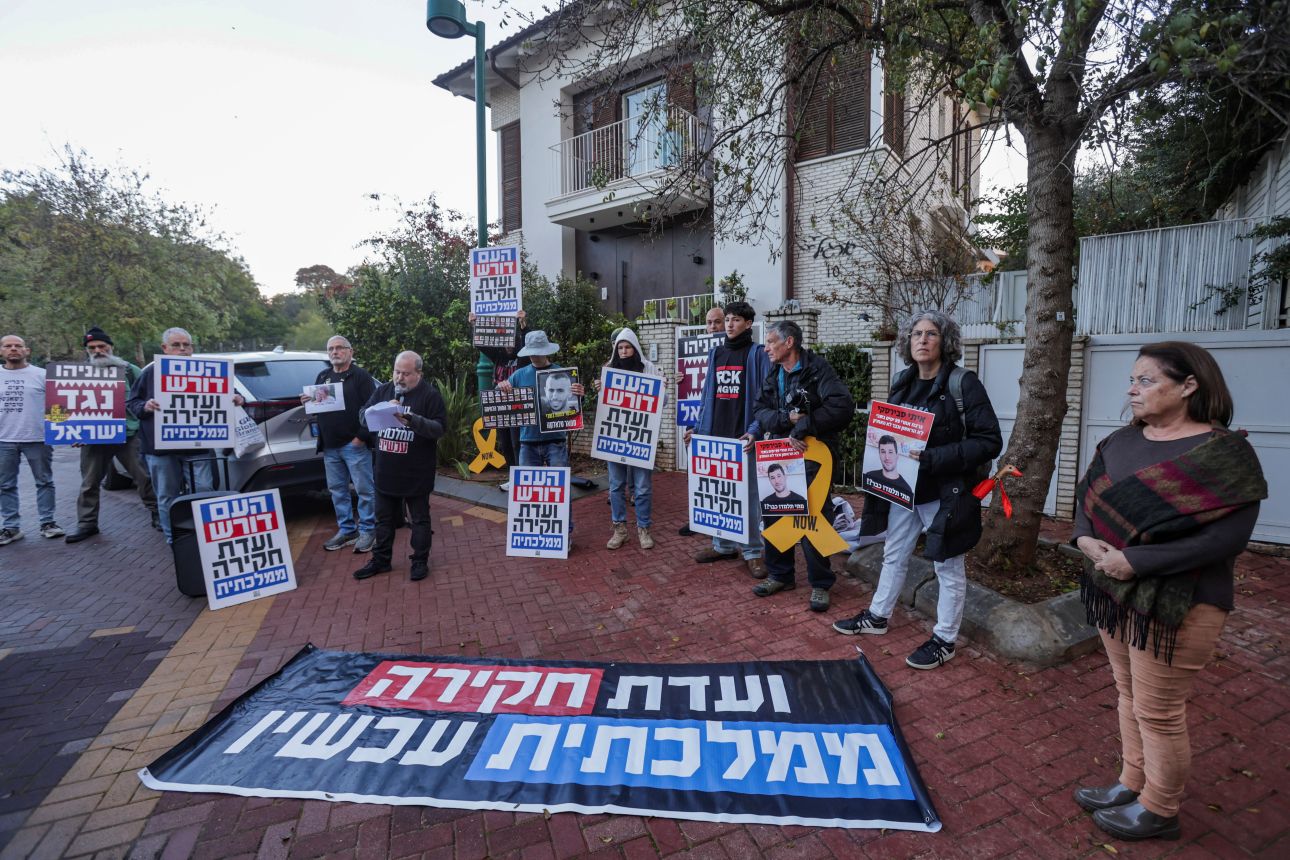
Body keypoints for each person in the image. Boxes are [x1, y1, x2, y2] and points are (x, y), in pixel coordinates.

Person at [1071, 342, 1264, 842]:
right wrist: (1084, 539)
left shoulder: (1224, 454)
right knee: (1128, 694)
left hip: (1181, 602)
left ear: (1188, 386)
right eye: (1131, 380)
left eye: (1146, 380)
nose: (1132, 390)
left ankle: (1160, 808)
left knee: (1158, 712)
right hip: (1115, 592)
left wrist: (1136, 561)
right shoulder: (1120, 440)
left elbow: (1225, 539)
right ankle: (1131, 783)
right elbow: (1087, 497)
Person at [832, 310, 1001, 670]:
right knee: (893, 554)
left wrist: (934, 457)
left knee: (947, 566)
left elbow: (989, 441)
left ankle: (944, 640)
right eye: (916, 334)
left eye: (931, 334)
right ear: (907, 342)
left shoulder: (962, 383)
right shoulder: (902, 382)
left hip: (944, 492)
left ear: (945, 342)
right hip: (904, 490)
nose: (922, 340)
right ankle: (878, 616)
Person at [750, 320, 854, 612]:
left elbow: (842, 407)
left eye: (771, 342)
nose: (766, 348)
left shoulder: (818, 369)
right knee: (775, 513)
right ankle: (780, 576)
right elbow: (759, 409)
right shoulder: (774, 373)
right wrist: (786, 420)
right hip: (778, 455)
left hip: (813, 456)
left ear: (789, 342)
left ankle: (820, 583)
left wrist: (806, 425)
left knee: (813, 515)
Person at [128, 327, 242, 544]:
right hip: (161, 450)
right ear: (165, 348)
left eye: (186, 345)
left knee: (205, 491)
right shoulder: (151, 372)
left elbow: (230, 396)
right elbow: (132, 403)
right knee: (167, 497)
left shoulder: (207, 372)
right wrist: (145, 406)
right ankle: (175, 542)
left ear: (192, 348)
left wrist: (237, 399)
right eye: (176, 345)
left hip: (198, 446)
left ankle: (205, 539)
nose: (182, 349)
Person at [689, 301, 771, 576]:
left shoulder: (757, 354)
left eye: (736, 320)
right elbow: (706, 395)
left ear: (748, 324)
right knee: (719, 493)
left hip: (743, 436)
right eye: (728, 320)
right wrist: (698, 429)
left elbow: (766, 397)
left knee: (748, 497)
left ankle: (753, 551)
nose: (729, 324)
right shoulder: (716, 353)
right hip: (716, 436)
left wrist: (755, 429)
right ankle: (723, 545)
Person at [353, 351, 447, 582]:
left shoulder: (430, 395)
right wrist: (380, 409)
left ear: (418, 373)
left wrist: (412, 419)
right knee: (383, 520)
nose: (399, 378)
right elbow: (363, 415)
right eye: (397, 372)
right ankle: (381, 560)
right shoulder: (384, 391)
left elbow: (439, 429)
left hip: (416, 473)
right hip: (385, 471)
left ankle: (419, 561)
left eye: (406, 373)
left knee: (420, 520)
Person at [65, 327, 159, 543]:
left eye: (102, 346)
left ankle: (157, 515)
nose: (98, 351)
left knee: (144, 477)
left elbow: (145, 398)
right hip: (92, 437)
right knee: (89, 482)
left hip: (129, 434)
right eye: (92, 348)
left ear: (111, 347)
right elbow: (68, 405)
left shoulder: (130, 371)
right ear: (87, 350)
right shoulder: (76, 373)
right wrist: (72, 432)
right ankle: (87, 524)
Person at [306, 335, 377, 553]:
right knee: (337, 491)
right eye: (330, 349)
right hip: (330, 446)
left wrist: (361, 437)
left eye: (339, 348)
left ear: (350, 352)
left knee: (364, 490)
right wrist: (308, 401)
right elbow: (320, 407)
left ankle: (369, 530)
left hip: (354, 445)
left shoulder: (360, 376)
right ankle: (347, 530)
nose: (334, 352)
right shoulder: (323, 376)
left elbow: (372, 409)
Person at [1, 334, 64, 545]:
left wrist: (67, 431)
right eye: (8, 346)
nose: (13, 349)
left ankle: (48, 523)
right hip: (3, 440)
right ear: (1, 351)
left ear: (26, 351)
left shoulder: (42, 375)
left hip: (38, 438)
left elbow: (58, 406)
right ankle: (11, 528)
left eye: (18, 346)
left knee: (44, 481)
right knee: (5, 485)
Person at [602, 327, 659, 551]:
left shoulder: (649, 368)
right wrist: (600, 389)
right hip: (615, 436)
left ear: (635, 348)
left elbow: (661, 403)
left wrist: (661, 391)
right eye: (620, 348)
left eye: (628, 347)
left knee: (643, 487)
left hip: (640, 436)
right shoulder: (608, 369)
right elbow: (604, 405)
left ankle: (644, 529)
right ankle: (620, 530)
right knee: (616, 486)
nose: (624, 351)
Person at [497, 331, 585, 469]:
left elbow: (575, 407)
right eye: (531, 352)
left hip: (556, 440)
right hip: (527, 440)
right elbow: (496, 399)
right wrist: (501, 386)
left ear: (546, 351)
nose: (534, 355)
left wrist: (580, 395)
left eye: (537, 352)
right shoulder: (519, 375)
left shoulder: (562, 373)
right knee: (527, 482)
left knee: (558, 481)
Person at [470, 310, 528, 490]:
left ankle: (522, 478)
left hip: (517, 405)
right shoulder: (498, 356)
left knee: (517, 442)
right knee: (505, 442)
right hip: (500, 405)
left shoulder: (523, 357)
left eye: (512, 342)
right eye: (505, 342)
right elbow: (481, 343)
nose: (508, 346)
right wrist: (474, 324)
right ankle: (513, 477)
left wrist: (523, 325)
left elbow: (527, 342)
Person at [862, 434, 914, 507]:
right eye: (883, 452)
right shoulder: (870, 476)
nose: (887, 457)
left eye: (890, 452)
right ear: (879, 454)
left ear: (897, 455)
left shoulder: (906, 489)